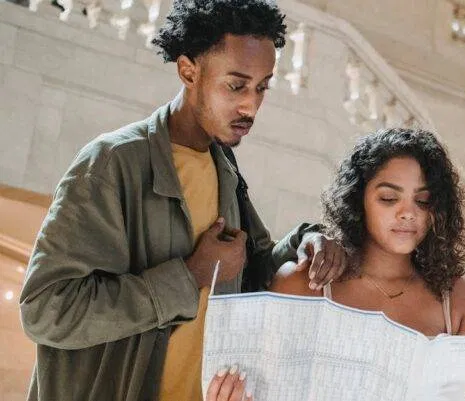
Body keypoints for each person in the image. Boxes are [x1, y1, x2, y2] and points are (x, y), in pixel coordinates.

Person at [18, 1, 346, 400]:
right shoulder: (111, 164)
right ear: (189, 71)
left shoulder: (223, 165)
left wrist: (307, 242)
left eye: (262, 86)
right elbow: (46, 310)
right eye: (236, 85)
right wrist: (189, 275)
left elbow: (253, 266)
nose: (252, 105)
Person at [273, 128, 465, 339]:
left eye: (422, 201)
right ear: (357, 200)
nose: (408, 213)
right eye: (389, 198)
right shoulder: (302, 285)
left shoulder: (463, 305)